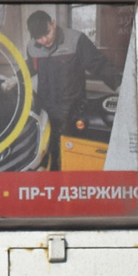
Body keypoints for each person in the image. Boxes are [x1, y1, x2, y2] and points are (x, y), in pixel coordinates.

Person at [18, 10, 118, 170]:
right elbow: (30, 68)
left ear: (53, 23)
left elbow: (99, 65)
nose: (44, 40)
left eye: (47, 33)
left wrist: (120, 84)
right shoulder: (32, 46)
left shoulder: (76, 40)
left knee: (71, 156)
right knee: (48, 156)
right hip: (46, 112)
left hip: (72, 112)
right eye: (39, 37)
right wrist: (13, 80)